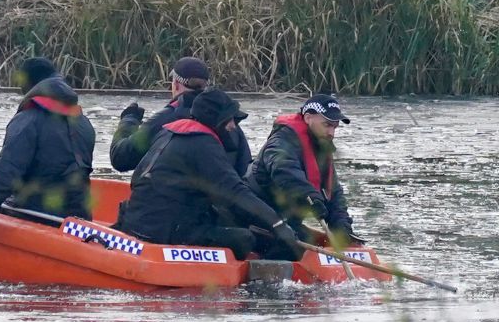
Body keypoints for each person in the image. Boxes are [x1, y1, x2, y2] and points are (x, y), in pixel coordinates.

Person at [117, 88, 301, 261]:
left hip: (139, 222)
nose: (233, 126)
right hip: (165, 232)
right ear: (216, 119)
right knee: (244, 239)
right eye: (230, 120)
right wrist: (277, 224)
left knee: (231, 220)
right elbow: (235, 193)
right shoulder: (203, 144)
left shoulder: (169, 131)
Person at [0, 56, 96, 232]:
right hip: (78, 217)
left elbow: (6, 174)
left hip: (38, 215)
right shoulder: (83, 121)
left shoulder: (28, 119)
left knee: (3, 200)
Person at [110, 57, 251, 176]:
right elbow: (245, 169)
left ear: (176, 85)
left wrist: (129, 119)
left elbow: (120, 158)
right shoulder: (228, 121)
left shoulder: (166, 119)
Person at [246, 94, 358, 245]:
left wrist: (342, 226)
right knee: (296, 246)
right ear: (308, 118)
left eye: (335, 127)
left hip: (287, 219)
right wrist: (311, 198)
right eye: (327, 125)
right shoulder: (281, 141)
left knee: (319, 237)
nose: (332, 133)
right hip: (256, 216)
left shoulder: (321, 148)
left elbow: (333, 192)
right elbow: (285, 173)